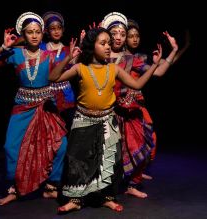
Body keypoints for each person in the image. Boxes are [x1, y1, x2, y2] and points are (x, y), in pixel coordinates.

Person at [49, 27, 162, 213]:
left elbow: (137, 84)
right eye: (103, 43)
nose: (108, 46)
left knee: (108, 161)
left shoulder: (114, 68)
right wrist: (69, 58)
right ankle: (75, 200)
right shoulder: (80, 68)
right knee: (78, 161)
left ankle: (106, 198)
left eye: (109, 43)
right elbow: (53, 78)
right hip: (83, 120)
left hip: (107, 121)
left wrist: (155, 65)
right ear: (92, 47)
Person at [0, 11, 68, 205]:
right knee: (11, 147)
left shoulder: (49, 55)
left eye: (37, 31)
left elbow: (66, 72)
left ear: (42, 33)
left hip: (46, 106)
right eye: (30, 32)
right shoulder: (16, 53)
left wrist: (75, 55)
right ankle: (14, 189)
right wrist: (3, 47)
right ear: (24, 34)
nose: (34, 35)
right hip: (22, 107)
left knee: (60, 146)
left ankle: (51, 186)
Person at [101, 12, 180, 198]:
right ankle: (104, 189)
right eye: (115, 33)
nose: (119, 37)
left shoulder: (132, 59)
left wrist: (174, 50)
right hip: (104, 111)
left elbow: (158, 72)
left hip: (128, 111)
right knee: (107, 152)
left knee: (139, 144)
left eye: (123, 33)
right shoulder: (99, 58)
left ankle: (131, 184)